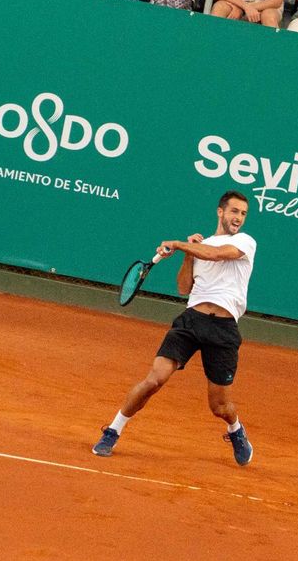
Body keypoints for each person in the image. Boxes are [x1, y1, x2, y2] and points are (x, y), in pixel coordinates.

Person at [91, 191, 259, 466]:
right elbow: (184, 288)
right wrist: (187, 255)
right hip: (191, 321)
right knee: (154, 380)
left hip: (224, 329)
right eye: (234, 212)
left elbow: (217, 255)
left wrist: (180, 245)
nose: (238, 218)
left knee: (219, 407)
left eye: (242, 214)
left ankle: (236, 429)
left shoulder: (245, 242)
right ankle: (112, 431)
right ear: (220, 212)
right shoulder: (200, 247)